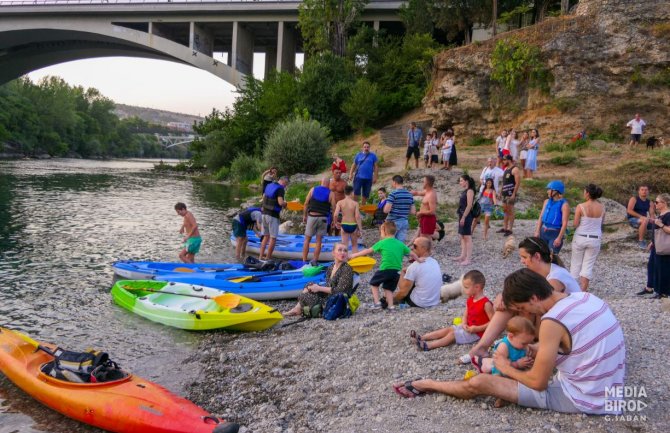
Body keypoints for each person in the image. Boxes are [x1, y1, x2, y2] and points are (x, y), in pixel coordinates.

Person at [395, 268, 626, 417]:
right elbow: (574, 345)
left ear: (534, 298)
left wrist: (504, 366)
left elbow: (538, 382)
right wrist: (529, 350)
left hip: (586, 398)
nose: (524, 314)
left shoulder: (552, 321)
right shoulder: (585, 298)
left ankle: (427, 384)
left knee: (479, 383)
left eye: (523, 309)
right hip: (613, 388)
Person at [467, 237, 580, 363]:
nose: (522, 261)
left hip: (566, 329)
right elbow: (519, 289)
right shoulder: (539, 272)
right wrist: (503, 296)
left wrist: (509, 300)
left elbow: (540, 301)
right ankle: (482, 347)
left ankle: (523, 348)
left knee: (522, 306)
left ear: (536, 256)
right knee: (510, 303)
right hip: (552, 324)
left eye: (524, 257)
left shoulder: (556, 277)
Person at [410, 270, 493, 351]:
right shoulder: (470, 299)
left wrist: (477, 329)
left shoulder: (486, 304)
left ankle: (428, 345)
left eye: (466, 287)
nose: (463, 289)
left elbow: (493, 322)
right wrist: (464, 323)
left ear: (477, 287)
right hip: (468, 326)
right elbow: (466, 314)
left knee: (452, 335)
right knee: (449, 329)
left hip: (477, 333)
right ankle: (422, 337)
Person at [351, 221, 412, 310]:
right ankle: (391, 306)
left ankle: (377, 303)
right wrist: (419, 259)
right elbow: (411, 253)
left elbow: (368, 251)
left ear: (384, 231)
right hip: (397, 272)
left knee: (373, 283)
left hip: (385, 269)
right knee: (388, 289)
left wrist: (354, 255)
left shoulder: (382, 243)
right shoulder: (400, 244)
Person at [283, 243, 355, 317]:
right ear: (333, 253)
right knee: (309, 284)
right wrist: (316, 288)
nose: (343, 252)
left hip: (338, 301)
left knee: (305, 296)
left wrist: (319, 288)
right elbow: (328, 285)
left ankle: (299, 309)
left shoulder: (346, 269)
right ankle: (297, 308)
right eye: (340, 250)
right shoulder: (331, 267)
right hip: (329, 296)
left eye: (345, 251)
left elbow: (340, 291)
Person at [569, 184, 605, 291]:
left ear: (588, 193)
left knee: (575, 264)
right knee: (588, 265)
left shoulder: (581, 206)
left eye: (584, 192)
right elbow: (601, 223)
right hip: (595, 238)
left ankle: (573, 290)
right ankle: (583, 290)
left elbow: (575, 224)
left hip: (580, 236)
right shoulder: (602, 207)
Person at [393, 237, 441, 308]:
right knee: (411, 276)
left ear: (424, 248)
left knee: (400, 275)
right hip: (434, 301)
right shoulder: (434, 262)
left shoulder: (415, 266)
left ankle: (402, 301)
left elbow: (403, 293)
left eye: (415, 246)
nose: (412, 248)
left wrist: (392, 300)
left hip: (420, 303)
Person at [302, 177, 337, 263]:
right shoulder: (331, 193)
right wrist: (333, 221)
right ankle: (315, 260)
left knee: (307, 240)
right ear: (328, 184)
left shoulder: (313, 190)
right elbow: (334, 208)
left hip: (312, 217)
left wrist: (304, 216)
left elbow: (306, 203)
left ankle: (304, 260)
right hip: (323, 218)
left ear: (320, 182)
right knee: (318, 241)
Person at [535, 180, 570, 255]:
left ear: (556, 191)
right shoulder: (546, 201)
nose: (547, 191)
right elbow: (541, 217)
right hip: (543, 231)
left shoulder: (564, 205)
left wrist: (559, 238)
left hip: (555, 234)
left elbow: (564, 223)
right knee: (541, 255)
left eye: (549, 189)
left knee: (552, 257)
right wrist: (537, 231)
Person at [258, 176, 289, 260]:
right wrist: (285, 204)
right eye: (286, 184)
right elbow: (280, 202)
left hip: (264, 213)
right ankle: (268, 257)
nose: (285, 186)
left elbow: (263, 197)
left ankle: (260, 256)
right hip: (272, 216)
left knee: (265, 236)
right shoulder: (280, 189)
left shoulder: (269, 185)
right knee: (273, 238)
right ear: (283, 181)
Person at [649, 193, 670, 298]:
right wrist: (652, 242)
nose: (655, 204)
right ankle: (658, 291)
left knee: (664, 268)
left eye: (657, 202)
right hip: (657, 245)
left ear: (664, 203)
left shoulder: (668, 215)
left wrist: (660, 224)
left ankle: (664, 292)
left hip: (665, 247)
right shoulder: (661, 215)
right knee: (657, 267)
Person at [383, 175, 415, 242]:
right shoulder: (409, 195)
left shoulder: (393, 194)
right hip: (404, 222)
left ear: (394, 182)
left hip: (393, 222)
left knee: (389, 242)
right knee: (400, 244)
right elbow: (413, 212)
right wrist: (403, 211)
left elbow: (386, 210)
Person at [334, 185, 363, 254]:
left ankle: (344, 260)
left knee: (344, 245)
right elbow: (357, 217)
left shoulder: (340, 202)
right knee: (354, 245)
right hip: (353, 225)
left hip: (344, 225)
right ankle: (354, 261)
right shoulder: (355, 203)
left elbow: (335, 214)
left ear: (345, 193)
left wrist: (335, 223)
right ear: (352, 193)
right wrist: (360, 229)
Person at [454, 174, 476, 265]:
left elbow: (469, 205)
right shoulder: (465, 191)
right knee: (462, 236)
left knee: (467, 236)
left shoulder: (470, 191)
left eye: (461, 181)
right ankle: (462, 256)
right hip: (462, 214)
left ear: (466, 181)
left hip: (466, 216)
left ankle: (468, 259)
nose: (460, 182)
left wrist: (463, 217)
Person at [349, 141, 378, 205]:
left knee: (366, 193)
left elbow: (376, 167)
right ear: (362, 148)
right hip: (358, 177)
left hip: (368, 178)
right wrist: (350, 174)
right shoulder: (358, 155)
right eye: (365, 147)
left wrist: (375, 177)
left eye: (367, 147)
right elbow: (354, 165)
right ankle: (355, 206)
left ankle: (363, 208)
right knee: (356, 192)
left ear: (369, 148)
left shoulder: (373, 156)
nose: (366, 148)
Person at [627, 185, 655, 249]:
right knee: (644, 220)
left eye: (646, 190)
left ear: (648, 192)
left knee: (658, 222)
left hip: (644, 219)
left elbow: (652, 214)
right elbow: (629, 210)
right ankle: (641, 241)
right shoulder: (634, 199)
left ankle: (655, 242)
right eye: (642, 190)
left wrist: (653, 220)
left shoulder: (650, 202)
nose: (644, 191)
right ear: (639, 191)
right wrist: (641, 217)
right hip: (633, 219)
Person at [499, 155, 520, 236]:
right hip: (504, 193)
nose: (503, 161)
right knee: (505, 210)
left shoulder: (515, 169)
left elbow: (517, 183)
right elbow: (504, 182)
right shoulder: (506, 169)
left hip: (510, 194)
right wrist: (501, 192)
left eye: (504, 160)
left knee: (510, 211)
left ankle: (510, 229)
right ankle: (504, 227)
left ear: (509, 160)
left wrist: (514, 194)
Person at [412, 175, 438, 240]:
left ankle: (429, 250)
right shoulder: (427, 192)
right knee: (422, 237)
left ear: (427, 183)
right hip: (424, 218)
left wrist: (420, 213)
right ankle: (424, 250)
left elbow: (432, 211)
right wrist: (411, 193)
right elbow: (417, 193)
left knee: (426, 238)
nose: (422, 183)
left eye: (423, 181)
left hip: (428, 219)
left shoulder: (431, 195)